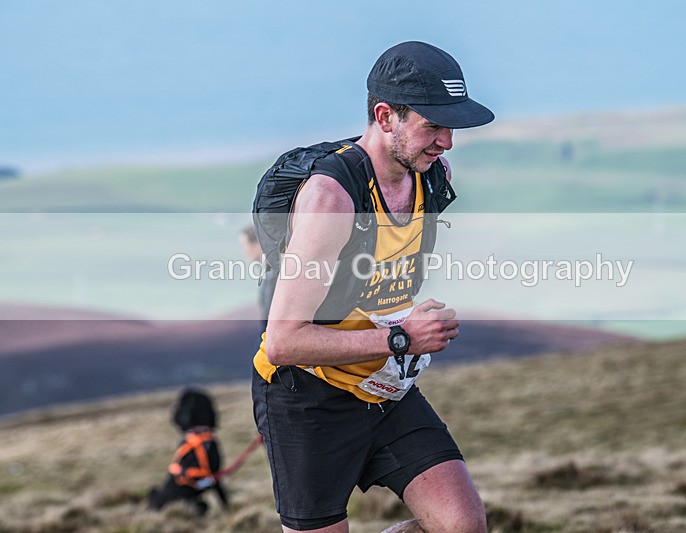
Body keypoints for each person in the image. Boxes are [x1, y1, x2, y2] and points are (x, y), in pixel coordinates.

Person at [251, 41, 494, 532]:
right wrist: (402, 338)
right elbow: (282, 342)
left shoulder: (430, 174)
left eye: (452, 126)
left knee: (462, 526)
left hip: (384, 388)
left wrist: (397, 340)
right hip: (307, 398)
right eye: (432, 125)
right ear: (385, 117)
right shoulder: (332, 200)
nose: (446, 140)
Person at [148, 388, 229, 515]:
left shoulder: (189, 443)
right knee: (201, 507)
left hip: (173, 498)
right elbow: (214, 478)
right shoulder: (207, 445)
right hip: (180, 502)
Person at [240, 224, 277, 331]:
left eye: (245, 245)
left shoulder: (273, 276)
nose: (244, 252)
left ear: (257, 244)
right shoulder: (269, 273)